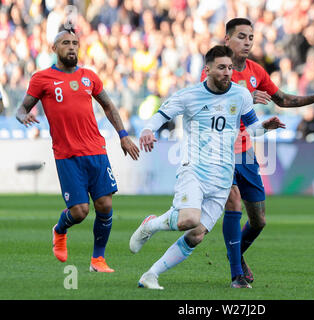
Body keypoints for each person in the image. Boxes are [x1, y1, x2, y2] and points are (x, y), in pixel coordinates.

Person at [129, 45, 285, 289]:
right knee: (188, 220)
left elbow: (252, 128)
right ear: (208, 69)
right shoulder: (189, 96)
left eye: (230, 68)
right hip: (195, 169)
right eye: (221, 67)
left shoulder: (241, 95)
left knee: (197, 234)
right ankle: (151, 224)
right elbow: (162, 114)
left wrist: (266, 127)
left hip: (222, 178)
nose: (227, 73)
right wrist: (148, 129)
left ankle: (151, 274)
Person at [201, 18, 314, 287]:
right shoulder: (216, 68)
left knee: (259, 220)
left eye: (251, 38)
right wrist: (242, 96)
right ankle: (236, 274)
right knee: (233, 203)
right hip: (220, 152)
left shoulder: (257, 71)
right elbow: (208, 99)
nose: (247, 42)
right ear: (227, 39)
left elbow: (283, 99)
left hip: (246, 152)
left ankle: (236, 253)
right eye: (241, 36)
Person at [16, 29, 140, 272]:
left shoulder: (89, 76)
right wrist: (23, 117)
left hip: (96, 150)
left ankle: (98, 260)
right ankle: (59, 230)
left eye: (75, 43)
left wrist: (123, 136)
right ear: (54, 48)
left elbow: (108, 105)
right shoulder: (42, 78)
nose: (71, 47)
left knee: (105, 205)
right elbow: (22, 108)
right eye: (65, 43)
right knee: (80, 211)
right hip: (67, 155)